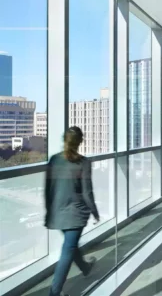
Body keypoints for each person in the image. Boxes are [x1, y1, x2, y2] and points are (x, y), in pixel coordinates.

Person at [45, 127, 99, 296]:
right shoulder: (83, 162)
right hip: (76, 213)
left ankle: (85, 267)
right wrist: (95, 212)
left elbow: (48, 189)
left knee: (70, 245)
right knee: (68, 249)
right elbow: (87, 192)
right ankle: (55, 293)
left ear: (64, 140)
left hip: (57, 211)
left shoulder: (54, 160)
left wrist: (49, 210)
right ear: (80, 142)